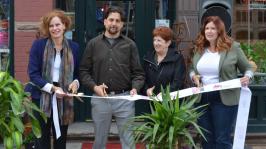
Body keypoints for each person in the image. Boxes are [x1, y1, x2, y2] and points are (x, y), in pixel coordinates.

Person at [79, 6, 145, 149]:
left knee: (128, 140)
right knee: (99, 141)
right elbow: (84, 71)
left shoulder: (130, 45)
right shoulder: (93, 44)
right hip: (100, 99)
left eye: (117, 21)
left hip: (124, 98)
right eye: (111, 20)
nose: (114, 23)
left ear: (122, 24)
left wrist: (135, 88)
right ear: (105, 22)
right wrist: (94, 87)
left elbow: (138, 73)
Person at [189, 16, 253, 149]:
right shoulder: (199, 47)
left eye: (213, 28)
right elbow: (192, 69)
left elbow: (248, 68)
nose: (209, 31)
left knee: (222, 139)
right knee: (206, 139)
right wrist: (193, 76)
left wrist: (247, 77)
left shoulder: (233, 47)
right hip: (202, 98)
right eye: (207, 28)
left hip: (224, 98)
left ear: (220, 31)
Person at [27, 10, 80, 149]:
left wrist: (75, 83)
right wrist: (53, 88)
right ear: (47, 28)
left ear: (64, 25)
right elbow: (33, 74)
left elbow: (77, 74)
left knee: (61, 140)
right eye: (51, 25)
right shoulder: (38, 46)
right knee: (41, 140)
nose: (55, 28)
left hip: (64, 100)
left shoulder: (74, 47)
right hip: (42, 98)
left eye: (58, 24)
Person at [143, 26, 186, 96]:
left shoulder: (177, 58)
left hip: (171, 103)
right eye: (154, 40)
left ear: (168, 43)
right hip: (152, 101)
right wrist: (146, 90)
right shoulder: (148, 58)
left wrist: (165, 93)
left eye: (159, 40)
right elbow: (143, 78)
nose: (155, 43)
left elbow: (178, 82)